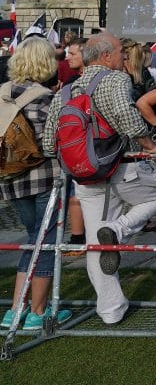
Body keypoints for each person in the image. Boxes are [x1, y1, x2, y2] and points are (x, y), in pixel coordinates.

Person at [42, 32, 156, 325]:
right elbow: (126, 116)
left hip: (84, 176)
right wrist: (150, 145)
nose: (124, 59)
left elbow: (50, 143)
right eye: (120, 54)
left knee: (94, 242)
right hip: (120, 166)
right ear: (106, 56)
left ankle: (110, 310)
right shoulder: (115, 79)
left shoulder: (66, 90)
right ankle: (119, 228)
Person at [0, 37, 73, 331]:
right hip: (44, 178)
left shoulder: (2, 93)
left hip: (9, 178)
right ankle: (38, 311)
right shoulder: (46, 98)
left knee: (32, 239)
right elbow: (52, 145)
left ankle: (15, 308)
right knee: (46, 242)